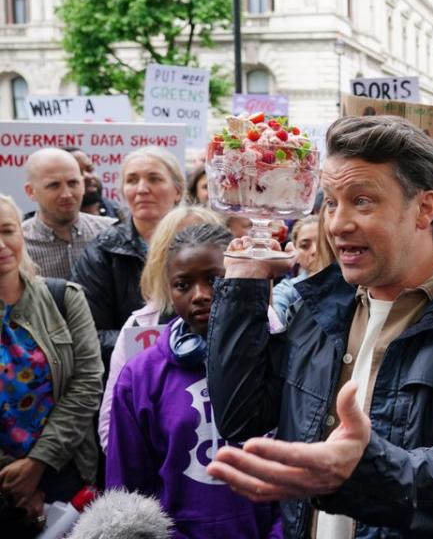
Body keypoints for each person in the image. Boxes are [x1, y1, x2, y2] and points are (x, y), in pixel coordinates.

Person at [204, 115, 433, 538]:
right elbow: (241, 416)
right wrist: (241, 288)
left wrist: (365, 472)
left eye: (362, 201)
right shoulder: (315, 305)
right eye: (330, 201)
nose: (338, 223)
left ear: (423, 209)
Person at [106, 223, 282, 538]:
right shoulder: (140, 376)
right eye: (183, 284)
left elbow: (304, 475)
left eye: (215, 280)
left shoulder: (283, 357)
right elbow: (127, 492)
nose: (200, 295)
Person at [0, 195, 103, 531]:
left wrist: (38, 463)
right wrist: (15, 481)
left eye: (7, 231)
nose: (2, 244)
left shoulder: (64, 298)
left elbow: (87, 384)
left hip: (64, 472)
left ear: (21, 234)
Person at [97, 205, 226, 450]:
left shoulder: (263, 320)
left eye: (202, 237)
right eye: (178, 243)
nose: (191, 247)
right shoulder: (140, 326)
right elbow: (112, 428)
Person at [71, 147, 184, 367]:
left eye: (154, 178)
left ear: (178, 190)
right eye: (132, 180)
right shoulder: (103, 251)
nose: (142, 189)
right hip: (129, 377)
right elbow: (86, 333)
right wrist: (162, 346)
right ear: (123, 192)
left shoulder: (205, 243)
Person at [21, 148, 116, 279]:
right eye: (54, 185)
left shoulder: (111, 233)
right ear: (31, 191)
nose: (66, 194)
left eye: (73, 183)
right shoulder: (18, 246)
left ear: (82, 185)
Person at [64, 147, 124, 220]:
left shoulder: (124, 216)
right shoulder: (55, 223)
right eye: (78, 172)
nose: (88, 176)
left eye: (90, 170)